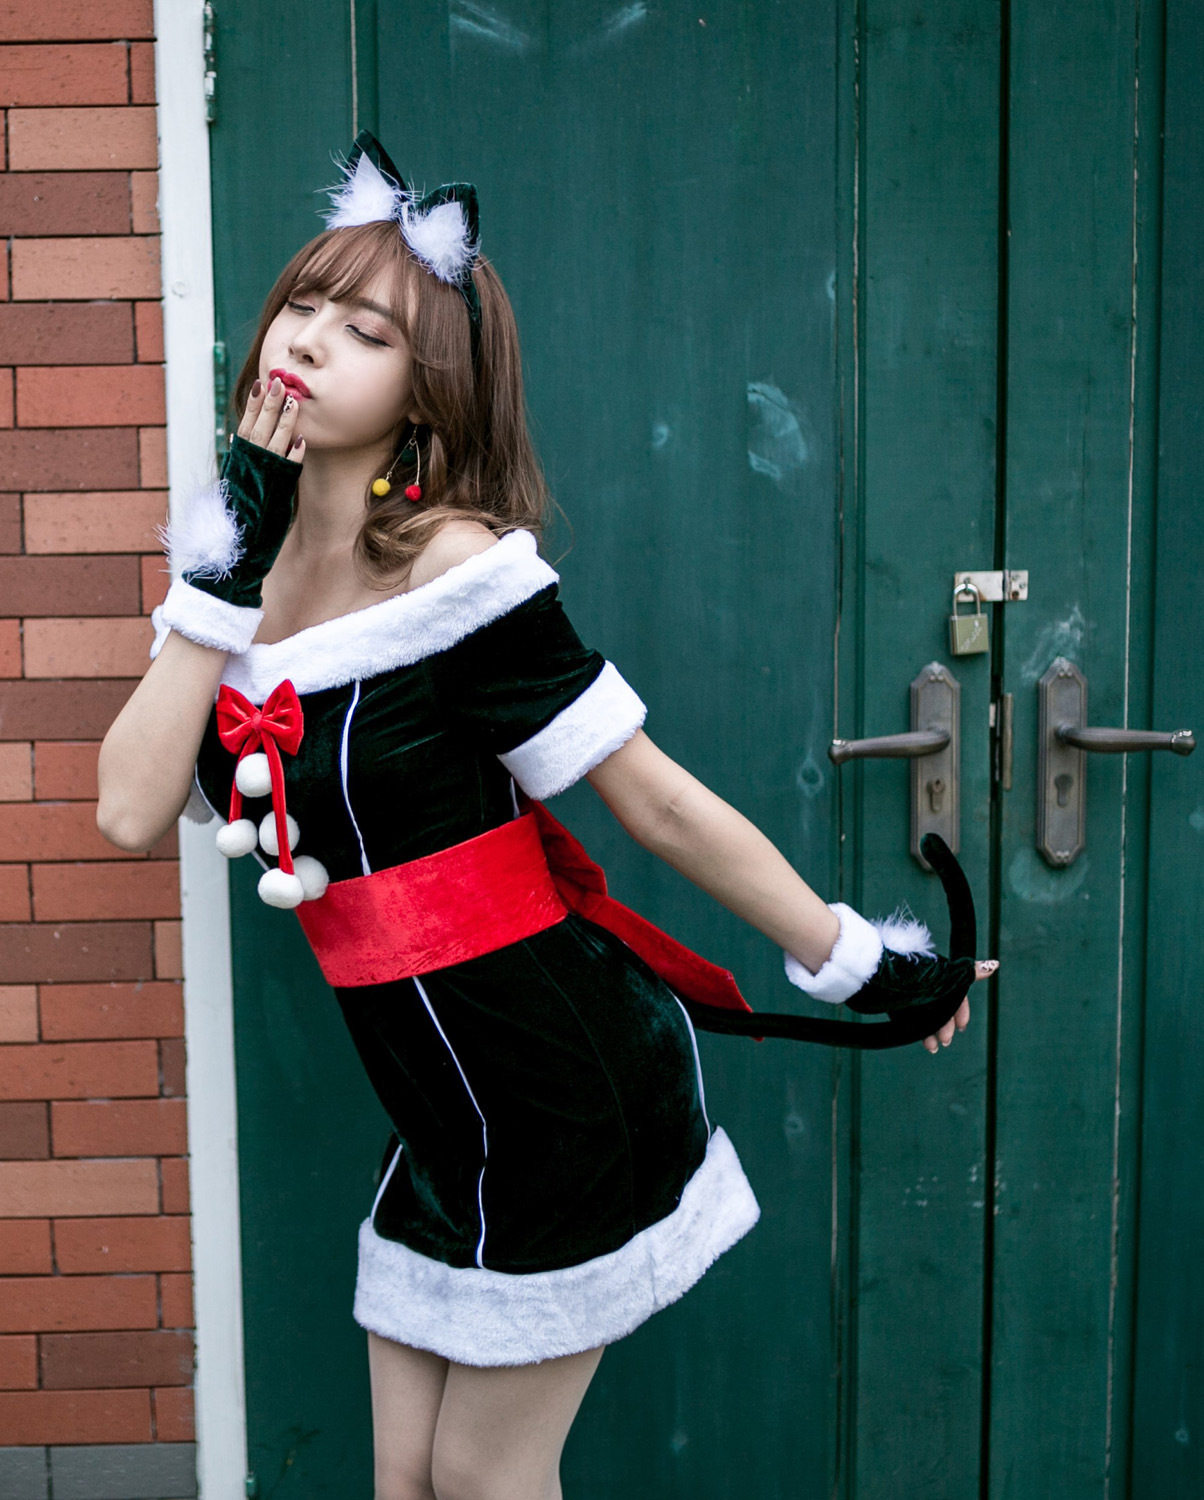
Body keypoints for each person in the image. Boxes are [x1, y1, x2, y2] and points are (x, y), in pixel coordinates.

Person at [96, 132, 997, 1500]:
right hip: (442, 1107)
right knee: (405, 1480)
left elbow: (658, 806)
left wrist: (861, 959)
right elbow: (126, 807)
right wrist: (227, 572)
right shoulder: (234, 568)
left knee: (480, 1478)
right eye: (302, 306)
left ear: (427, 391)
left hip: (564, 1082)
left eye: (367, 332)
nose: (310, 341)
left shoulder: (460, 573)